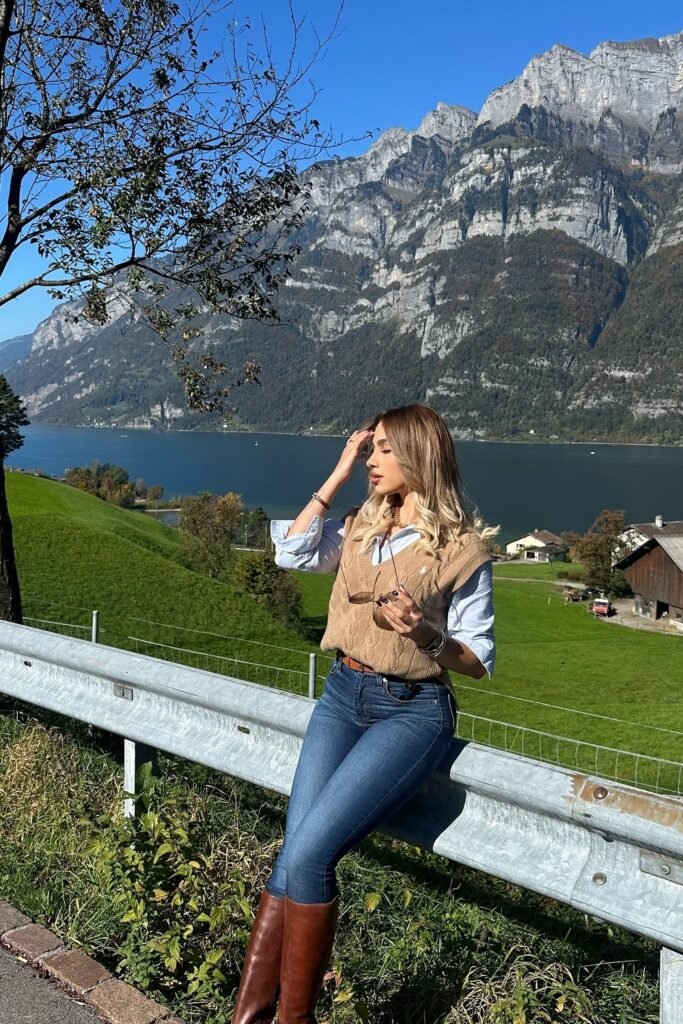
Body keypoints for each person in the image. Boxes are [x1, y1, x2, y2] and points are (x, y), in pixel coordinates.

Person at [231, 403, 497, 1024]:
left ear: (418, 456)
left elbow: (478, 658)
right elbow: (292, 553)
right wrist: (337, 474)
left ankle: (291, 1020)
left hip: (412, 712)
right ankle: (247, 1018)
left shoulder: (462, 550)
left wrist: (428, 635)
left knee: (310, 855)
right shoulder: (359, 525)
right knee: (294, 852)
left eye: (380, 450)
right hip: (342, 698)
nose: (370, 459)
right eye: (367, 449)